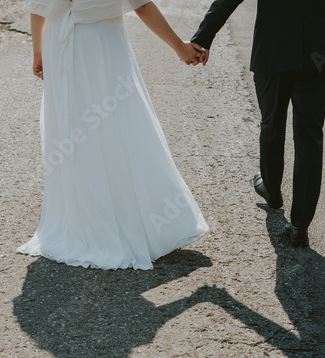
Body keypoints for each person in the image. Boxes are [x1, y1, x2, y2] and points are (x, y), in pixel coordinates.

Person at [19, 0, 210, 270]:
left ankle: (81, 220)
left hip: (58, 42)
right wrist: (179, 47)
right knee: (117, 124)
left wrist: (38, 50)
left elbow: (39, 5)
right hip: (101, 45)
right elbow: (142, 5)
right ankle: (131, 221)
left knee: (74, 130)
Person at [190, 0, 325, 248]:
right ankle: (300, 226)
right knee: (309, 134)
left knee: (272, 121)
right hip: (323, 44)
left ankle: (272, 189)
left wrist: (203, 37)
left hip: (274, 43)